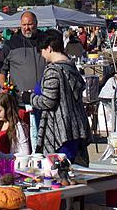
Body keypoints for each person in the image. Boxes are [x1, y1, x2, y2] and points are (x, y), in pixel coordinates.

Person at [32, 31, 91, 160]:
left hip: (59, 131)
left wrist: (30, 98)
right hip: (75, 127)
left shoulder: (53, 70)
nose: (42, 54)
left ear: (49, 48)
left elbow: (48, 101)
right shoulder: (70, 66)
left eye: (42, 50)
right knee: (71, 169)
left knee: (58, 170)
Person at [0, 11, 46, 97]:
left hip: (45, 97)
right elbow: (1, 69)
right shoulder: (11, 43)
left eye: (30, 24)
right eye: (24, 25)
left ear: (36, 23)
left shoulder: (45, 40)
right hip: (20, 98)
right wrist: (4, 87)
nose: (26, 28)